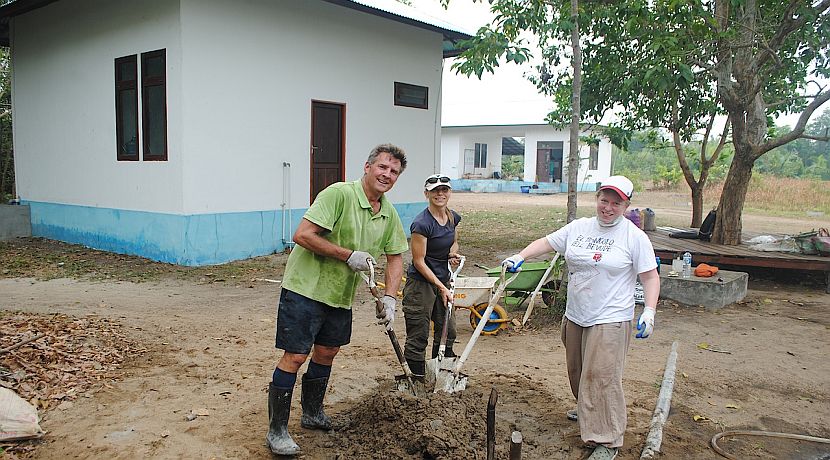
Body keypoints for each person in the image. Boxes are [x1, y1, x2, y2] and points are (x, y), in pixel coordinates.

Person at [502, 175, 660, 460]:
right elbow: (547, 242)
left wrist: (649, 311)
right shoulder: (580, 227)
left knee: (601, 376)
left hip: (610, 316)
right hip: (577, 314)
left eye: (616, 203)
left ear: (626, 205)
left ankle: (607, 439)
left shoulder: (634, 237)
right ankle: (588, 409)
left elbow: (650, 277)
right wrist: (521, 256)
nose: (608, 207)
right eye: (604, 200)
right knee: (577, 370)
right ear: (597, 198)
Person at [266, 144, 410, 456]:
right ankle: (277, 430)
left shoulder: (388, 213)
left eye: (394, 172)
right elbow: (302, 234)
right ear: (368, 167)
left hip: (339, 295)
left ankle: (312, 413)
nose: (387, 175)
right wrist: (348, 255)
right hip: (306, 288)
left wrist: (390, 298)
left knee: (328, 352)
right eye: (383, 167)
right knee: (295, 356)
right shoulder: (339, 194)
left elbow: (396, 257)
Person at [401, 174, 462, 376]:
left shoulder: (452, 217)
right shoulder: (422, 224)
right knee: (419, 333)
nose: (440, 194)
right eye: (435, 190)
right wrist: (441, 287)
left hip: (443, 280)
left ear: (449, 192)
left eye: (444, 190)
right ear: (426, 193)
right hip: (421, 284)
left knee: (448, 330)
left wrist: (452, 253)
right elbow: (419, 261)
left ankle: (440, 375)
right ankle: (416, 379)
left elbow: (454, 241)